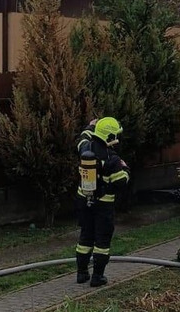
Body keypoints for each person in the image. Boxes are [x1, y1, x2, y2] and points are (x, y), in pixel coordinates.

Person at [74, 116, 130, 286]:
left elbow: (82, 137)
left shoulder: (85, 148)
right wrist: (125, 168)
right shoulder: (112, 159)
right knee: (102, 241)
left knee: (85, 236)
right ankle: (97, 277)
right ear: (110, 137)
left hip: (83, 201)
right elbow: (121, 181)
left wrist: (90, 126)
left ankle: (82, 273)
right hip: (103, 205)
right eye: (116, 135)